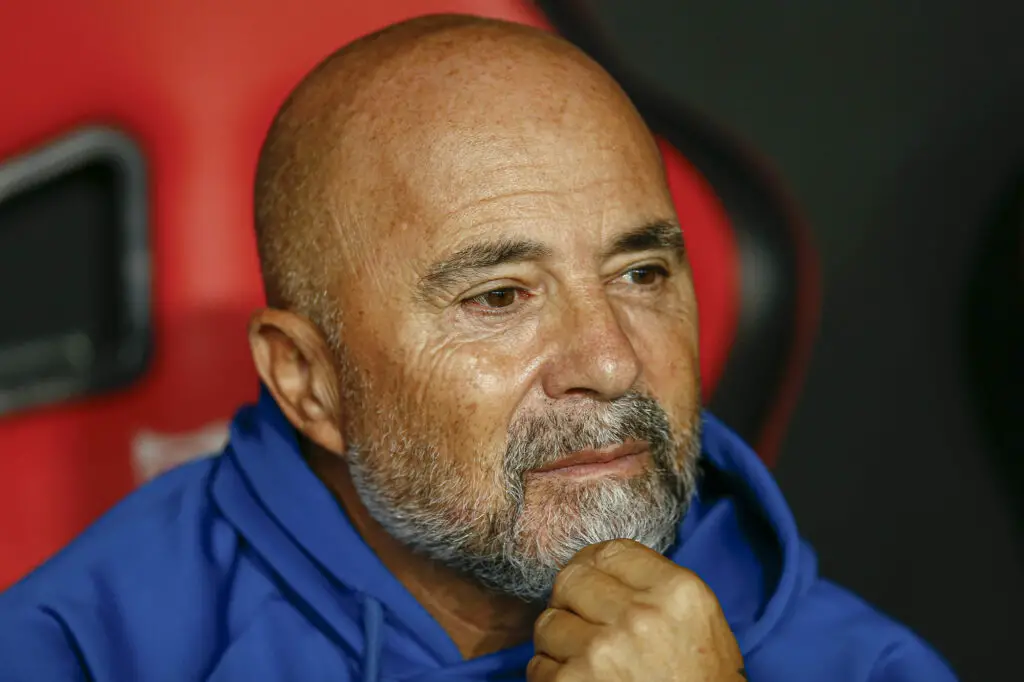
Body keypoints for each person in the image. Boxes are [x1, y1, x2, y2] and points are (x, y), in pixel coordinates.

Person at [0, 14, 957, 682]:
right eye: (500, 297)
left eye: (640, 274)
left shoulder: (861, 666)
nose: (611, 362)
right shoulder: (82, 651)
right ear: (308, 381)